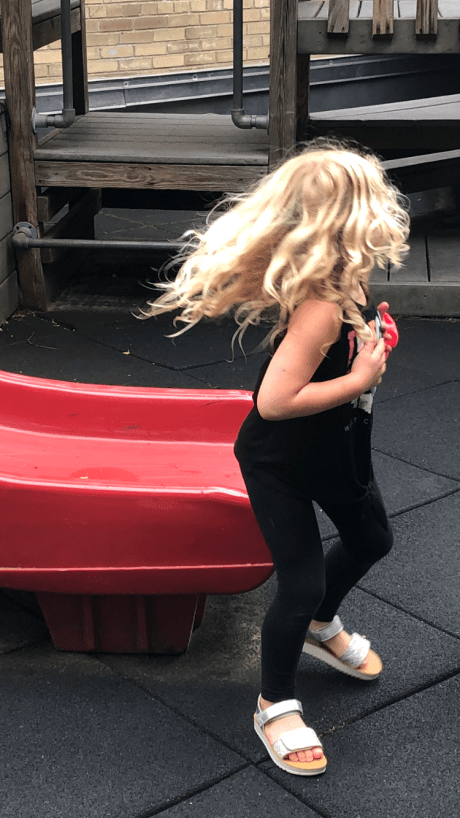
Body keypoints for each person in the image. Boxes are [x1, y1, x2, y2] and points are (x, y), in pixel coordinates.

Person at [142, 141, 410, 777]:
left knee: (372, 538)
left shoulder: (347, 278)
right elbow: (274, 402)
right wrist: (359, 376)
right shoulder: (320, 307)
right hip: (280, 461)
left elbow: (337, 362)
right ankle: (274, 704)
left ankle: (319, 627)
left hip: (335, 446)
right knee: (302, 582)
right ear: (351, 220)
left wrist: (370, 343)